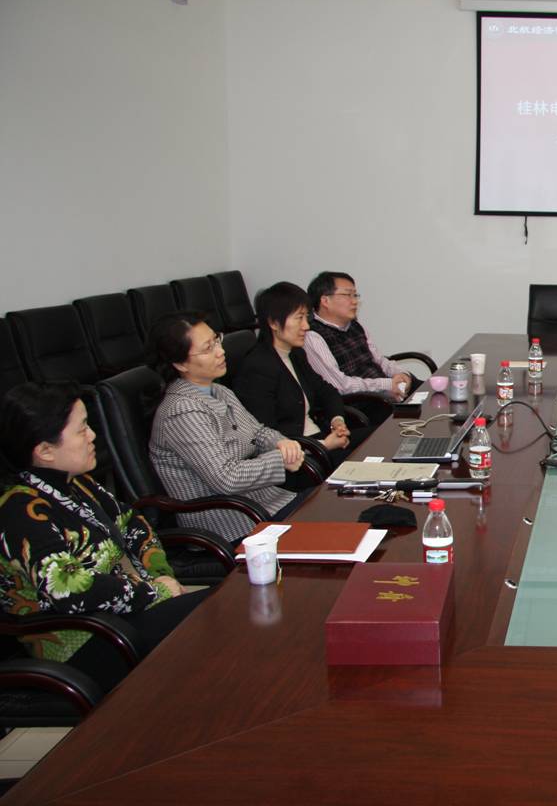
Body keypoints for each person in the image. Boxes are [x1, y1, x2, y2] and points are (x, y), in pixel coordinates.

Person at [0, 382, 210, 691]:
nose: (93, 436)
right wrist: (155, 593)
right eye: (82, 430)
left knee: (225, 609)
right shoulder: (21, 511)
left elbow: (134, 524)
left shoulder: (77, 484)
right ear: (44, 451)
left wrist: (160, 575)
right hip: (82, 639)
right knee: (215, 616)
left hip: (121, 616)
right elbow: (68, 590)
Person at [149, 312, 306, 542]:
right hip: (232, 523)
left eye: (217, 340)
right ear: (180, 363)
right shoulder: (181, 411)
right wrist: (279, 460)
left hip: (263, 504)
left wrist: (281, 443)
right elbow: (227, 478)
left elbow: (257, 432)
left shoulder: (219, 390)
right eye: (207, 348)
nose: (220, 351)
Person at [235, 282, 366, 471]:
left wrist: (337, 422)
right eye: (299, 318)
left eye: (306, 317)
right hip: (300, 458)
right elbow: (266, 436)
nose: (306, 326)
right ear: (273, 323)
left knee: (383, 437)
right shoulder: (257, 367)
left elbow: (327, 391)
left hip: (319, 440)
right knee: (374, 458)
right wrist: (325, 445)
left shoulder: (295, 353)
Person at [304, 271, 420, 427]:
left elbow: (379, 360)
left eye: (355, 295)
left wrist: (400, 374)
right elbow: (340, 386)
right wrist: (386, 385)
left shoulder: (355, 325)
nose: (354, 301)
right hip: (360, 406)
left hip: (383, 393)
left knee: (433, 393)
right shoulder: (313, 336)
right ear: (325, 300)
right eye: (348, 295)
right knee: (418, 418)